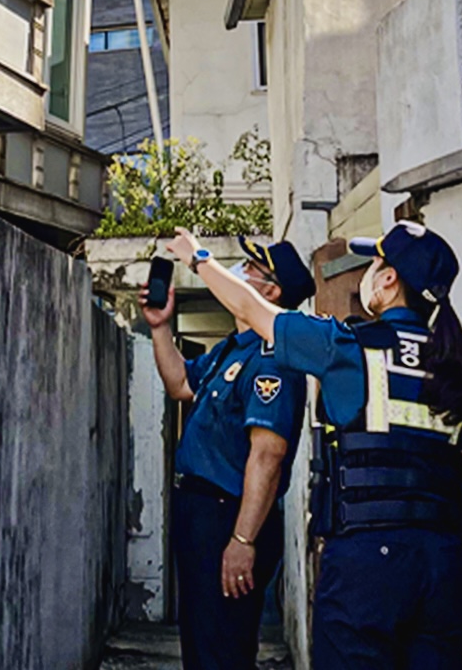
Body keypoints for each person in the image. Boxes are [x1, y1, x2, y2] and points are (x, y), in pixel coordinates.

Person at [165, 221, 462, 670]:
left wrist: (199, 258)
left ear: (388, 279)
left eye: (374, 264)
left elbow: (252, 309)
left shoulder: (350, 348)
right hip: (442, 565)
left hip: (366, 565)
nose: (368, 274)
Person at [141, 237, 316, 670]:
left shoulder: (274, 359)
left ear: (271, 290)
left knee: (222, 649)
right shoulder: (233, 348)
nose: (240, 270)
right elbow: (180, 383)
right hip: (202, 515)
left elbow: (268, 456)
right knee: (203, 644)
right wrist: (160, 327)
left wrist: (242, 540)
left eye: (251, 267)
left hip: (230, 518)